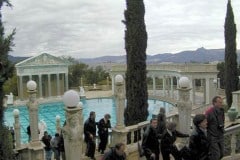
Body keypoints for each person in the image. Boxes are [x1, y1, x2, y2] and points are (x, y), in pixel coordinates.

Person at [205, 96, 225, 160]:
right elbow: (204, 124)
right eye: (219, 102)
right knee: (216, 154)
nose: (221, 104)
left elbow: (222, 121)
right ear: (214, 103)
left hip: (220, 135)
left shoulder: (222, 111)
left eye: (221, 102)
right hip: (212, 137)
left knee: (222, 153)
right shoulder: (209, 112)